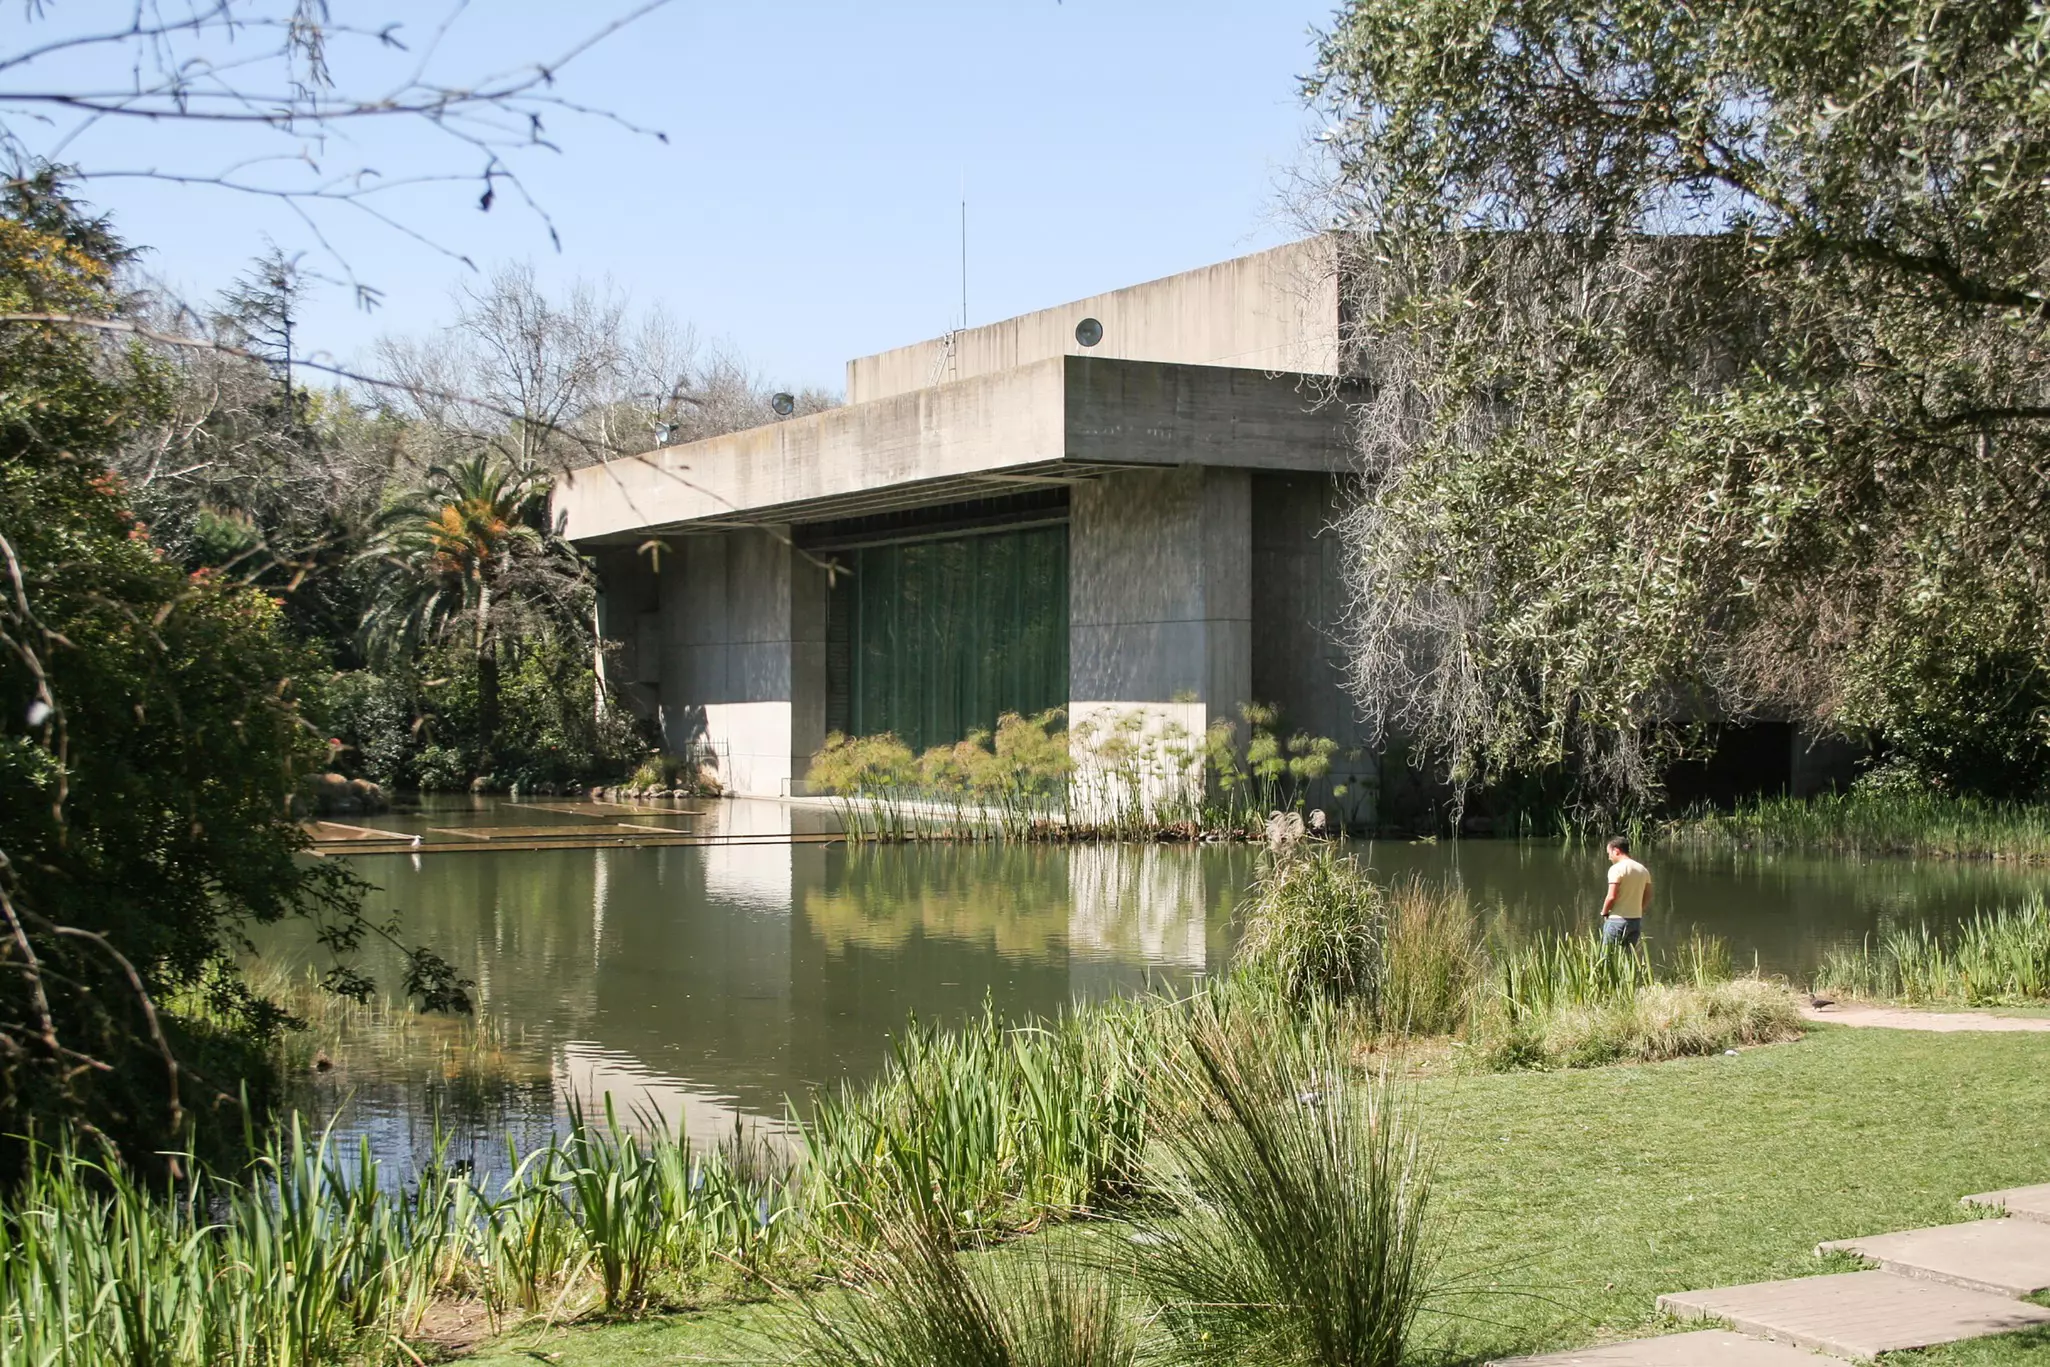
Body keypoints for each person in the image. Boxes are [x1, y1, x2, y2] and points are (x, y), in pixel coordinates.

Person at [1599, 836, 1652, 948]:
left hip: (1616, 920)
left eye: (1609, 853)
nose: (1609, 857)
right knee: (1628, 956)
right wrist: (1639, 910)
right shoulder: (1643, 869)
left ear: (1616, 851)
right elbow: (1648, 895)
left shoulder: (1616, 869)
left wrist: (1604, 912)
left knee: (1607, 955)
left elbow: (1611, 896)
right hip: (1635, 921)